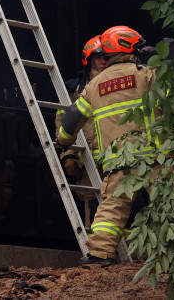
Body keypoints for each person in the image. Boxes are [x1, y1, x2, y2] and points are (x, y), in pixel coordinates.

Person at [56, 25, 157, 264]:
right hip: (154, 158)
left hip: (117, 160)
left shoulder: (94, 86)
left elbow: (70, 121)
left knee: (112, 207)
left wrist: (63, 141)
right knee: (167, 204)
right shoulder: (148, 76)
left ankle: (99, 255)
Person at [56, 37, 111, 226]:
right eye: (99, 57)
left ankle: (131, 255)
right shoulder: (75, 89)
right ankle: (97, 253)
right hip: (90, 163)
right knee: (95, 213)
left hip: (118, 160)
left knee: (125, 208)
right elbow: (64, 123)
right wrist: (69, 155)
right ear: (89, 59)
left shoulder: (117, 83)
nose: (104, 61)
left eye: (107, 56)